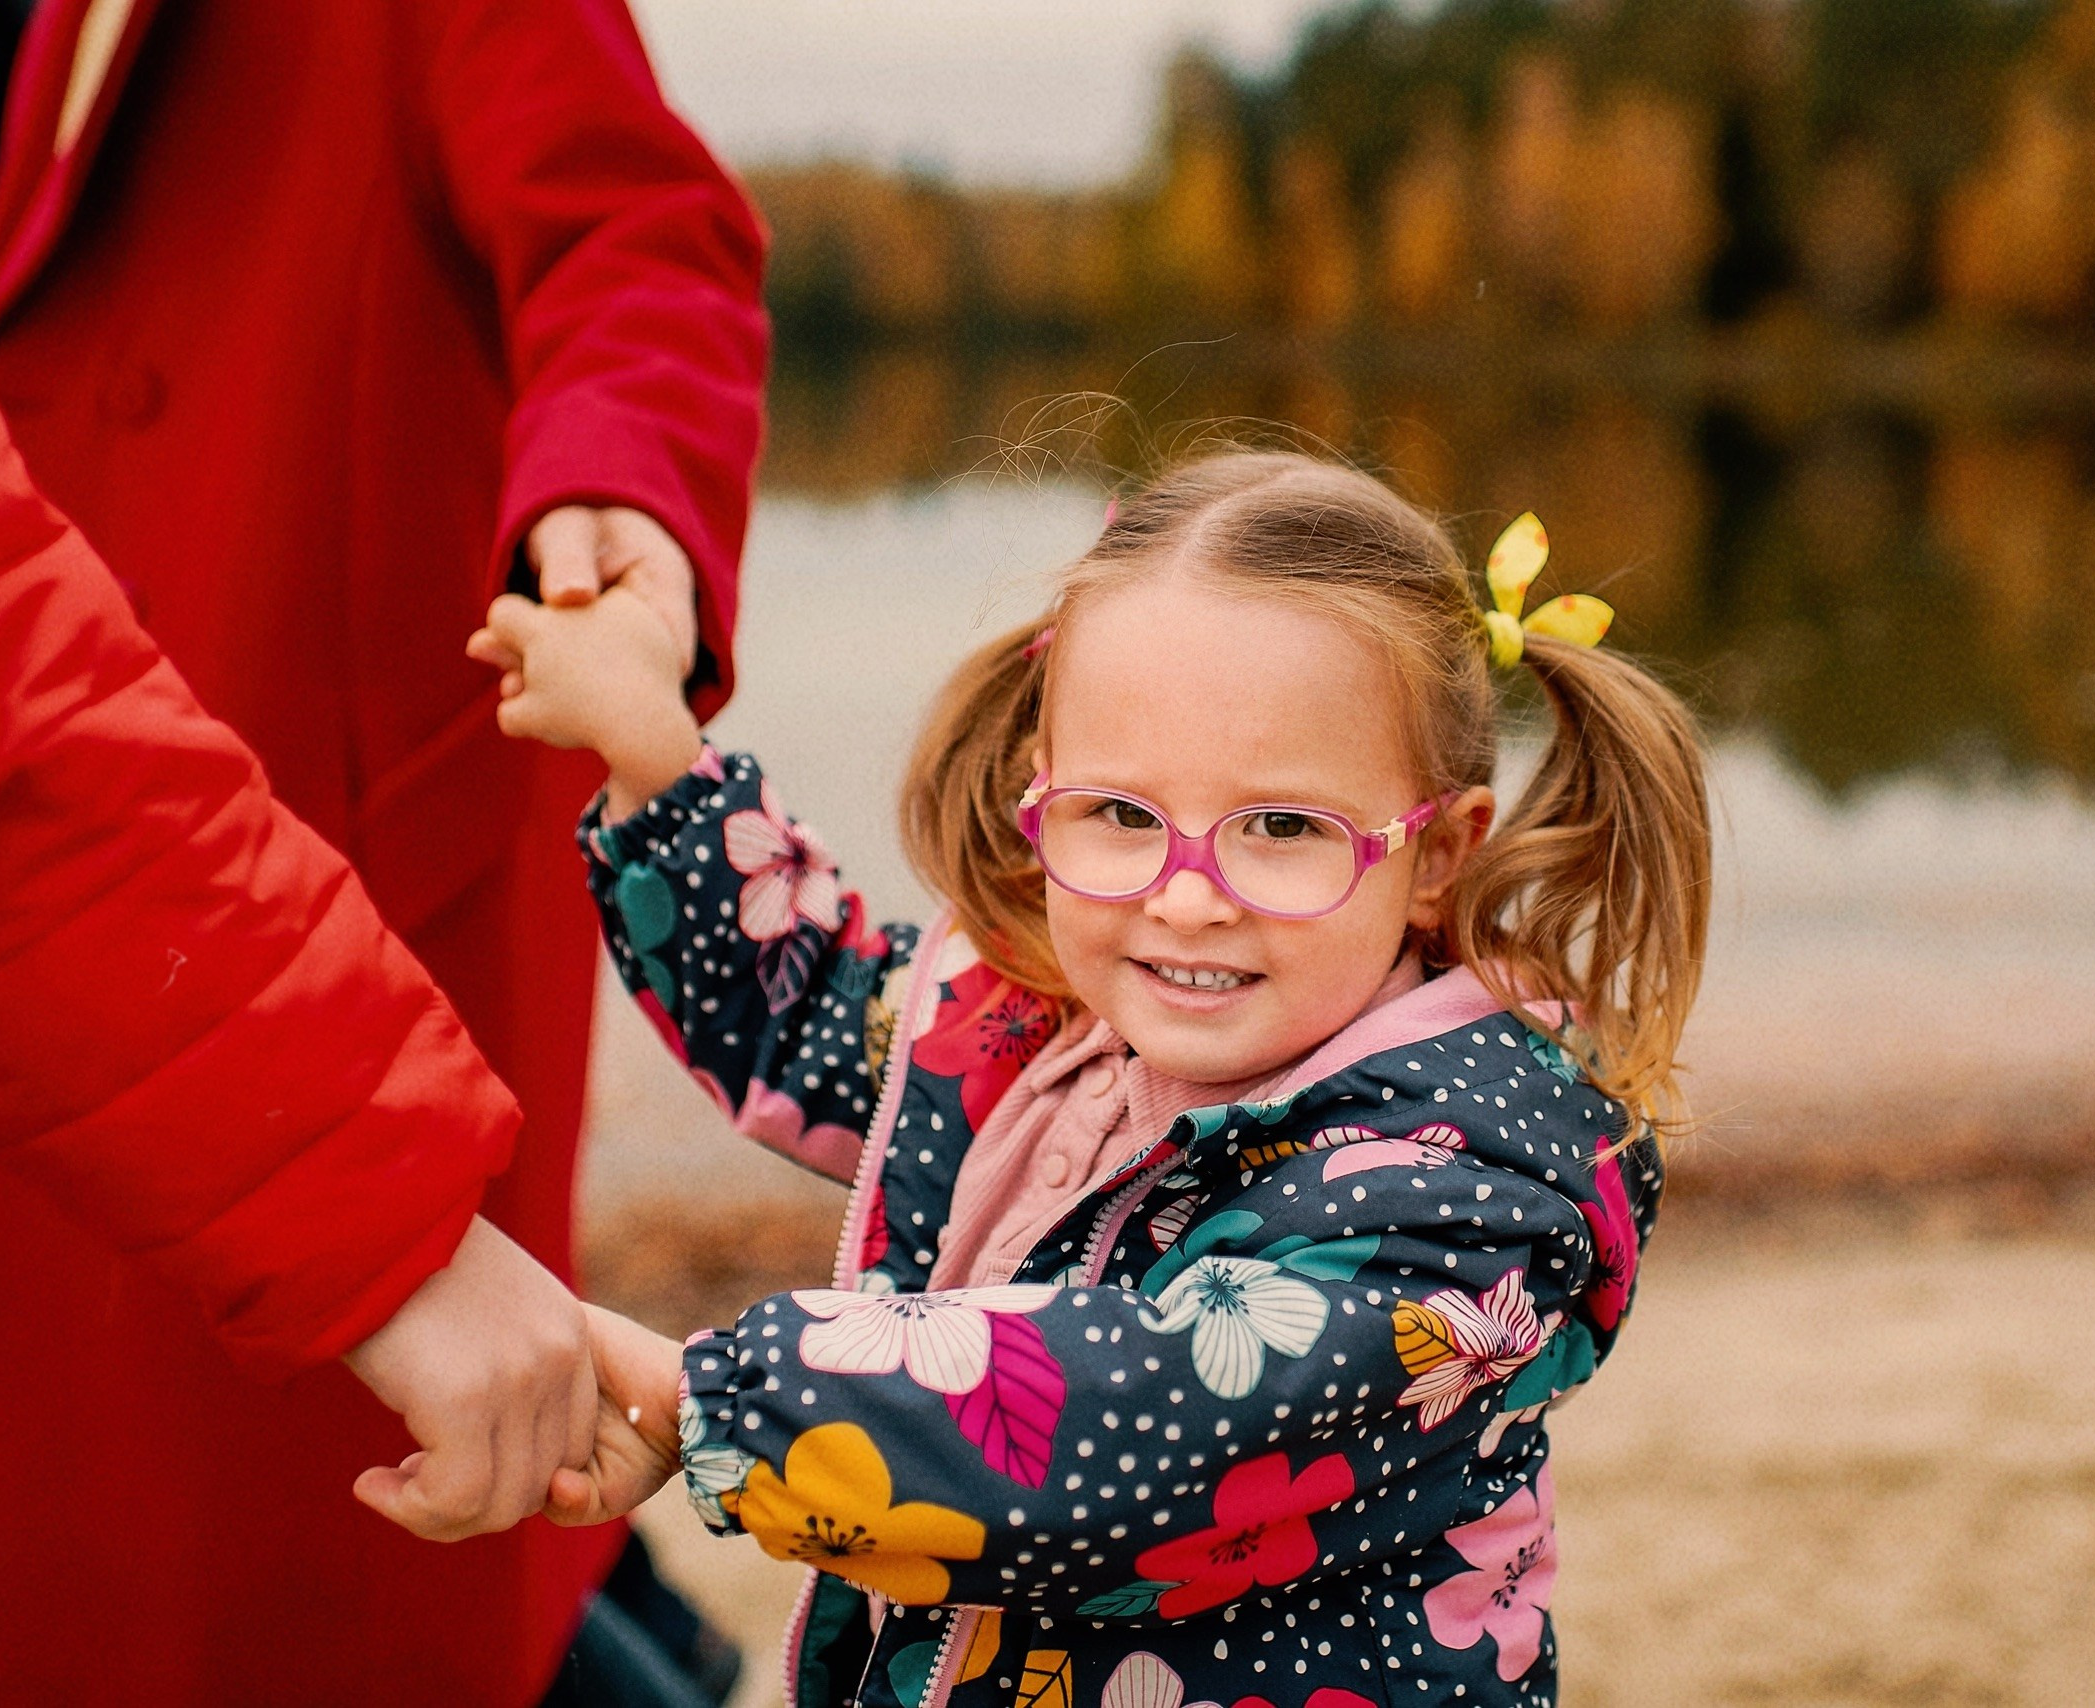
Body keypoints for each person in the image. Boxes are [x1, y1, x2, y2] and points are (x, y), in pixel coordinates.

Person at [0, 0, 770, 1700]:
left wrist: (621, 488)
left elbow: (641, 238)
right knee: (109, 1558)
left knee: (364, 1564)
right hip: (63, 886)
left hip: (310, 928)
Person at [475, 450, 1712, 1706]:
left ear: (1437, 854)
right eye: (1118, 815)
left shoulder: (1463, 1196)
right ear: (1038, 797)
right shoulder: (1040, 1032)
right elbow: (801, 1011)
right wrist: (649, 748)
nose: (1184, 896)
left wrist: (720, 1404)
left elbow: (1139, 1412)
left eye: (1282, 829)